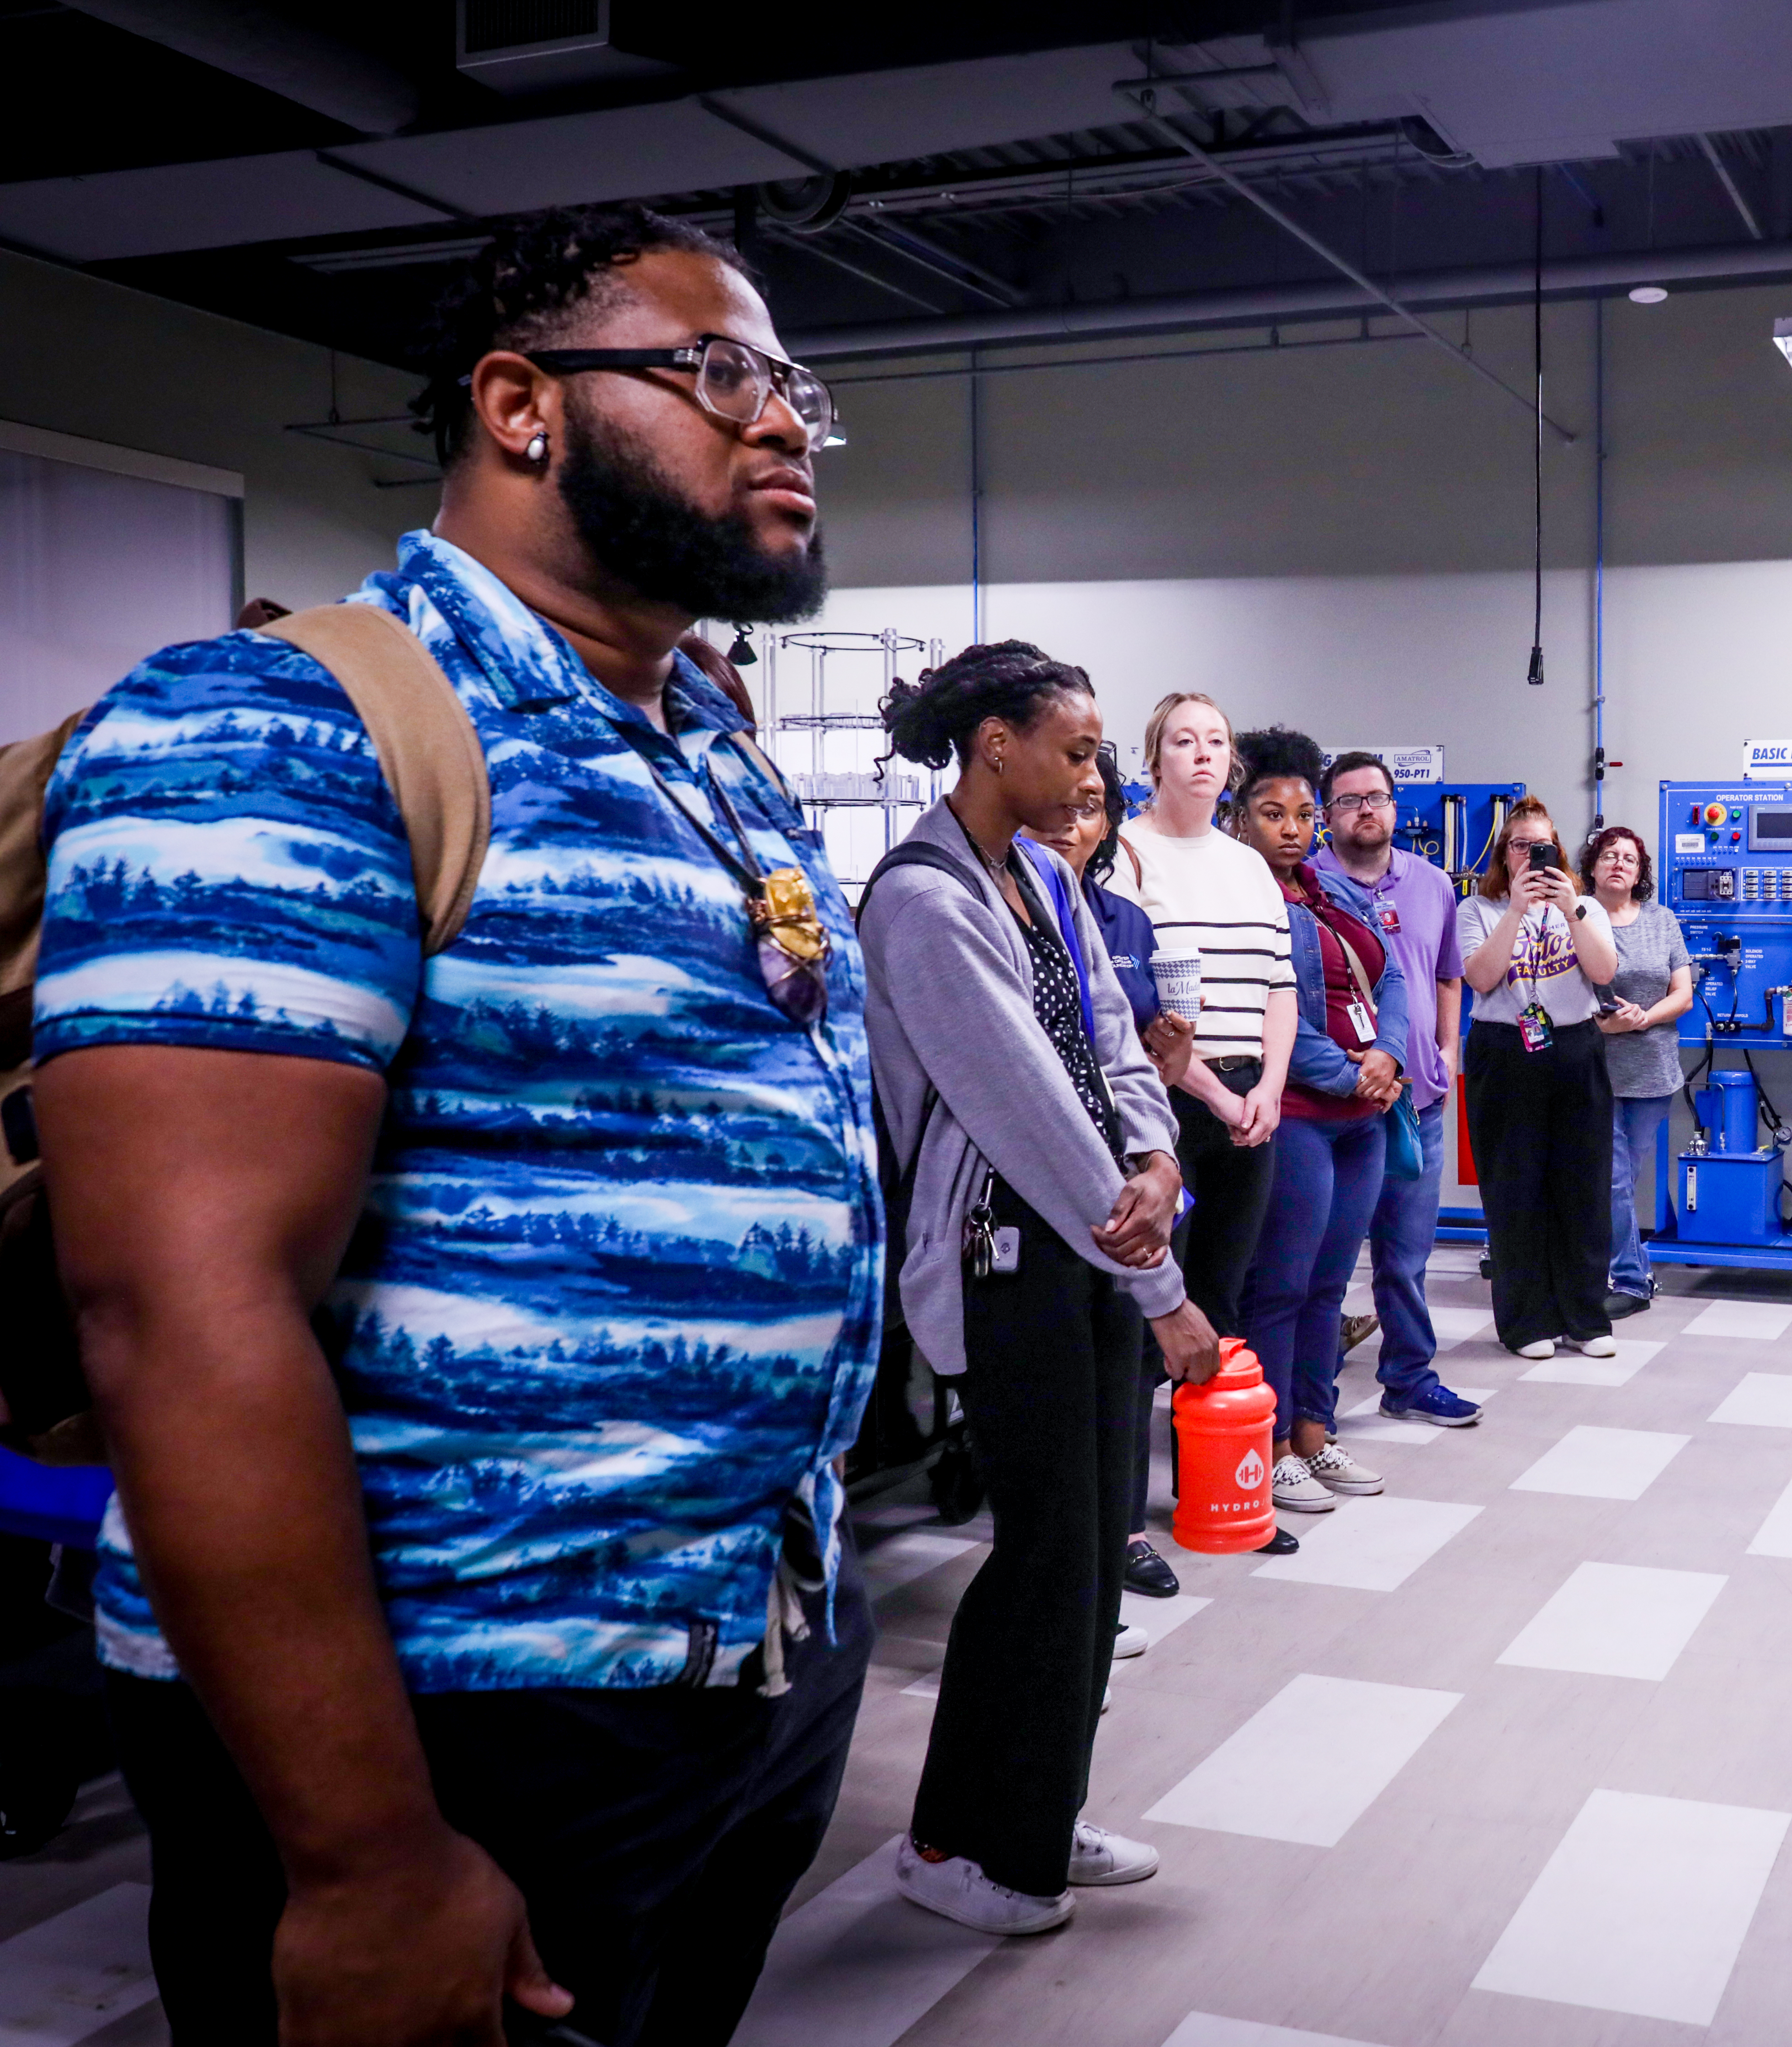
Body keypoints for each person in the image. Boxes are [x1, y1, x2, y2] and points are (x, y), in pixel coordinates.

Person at [33, 205, 872, 2041]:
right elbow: (179, 1311)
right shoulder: (276, 723)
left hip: (730, 1650)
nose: (785, 422)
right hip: (452, 1703)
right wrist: (363, 1856)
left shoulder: (698, 741)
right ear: (520, 407)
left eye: (797, 386)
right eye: (718, 372)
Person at [866, 644, 1219, 1935]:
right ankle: (953, 1841)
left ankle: (1039, 1813)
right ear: (994, 744)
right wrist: (1164, 1286)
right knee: (1044, 1555)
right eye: (1072, 751)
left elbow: (1113, 1049)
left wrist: (1163, 1152)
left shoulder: (1046, 884)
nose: (1091, 774)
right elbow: (1021, 1104)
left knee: (1089, 1563)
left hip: (1099, 1227)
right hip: (1011, 1249)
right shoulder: (924, 899)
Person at [1022, 750, 1201, 1601]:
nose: (1073, 821)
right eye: (1063, 801)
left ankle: (1123, 1533)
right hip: (1038, 1185)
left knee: (1128, 1365)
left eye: (1093, 807)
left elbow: (1128, 1061)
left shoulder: (1123, 922)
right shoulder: (976, 903)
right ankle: (1063, 1563)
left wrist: (1166, 1089)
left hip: (1134, 1178)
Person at [1226, 729, 1417, 1511]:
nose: (1293, 828)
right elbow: (1274, 1010)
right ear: (1240, 819)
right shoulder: (1243, 898)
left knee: (1331, 1286)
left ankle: (1315, 1429)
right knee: (1281, 1286)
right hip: (1301, 1113)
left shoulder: (1330, 889)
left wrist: (1391, 1061)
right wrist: (1351, 1075)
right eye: (1273, 813)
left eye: (1305, 812)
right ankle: (1269, 1447)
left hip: (1362, 1118)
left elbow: (1394, 977)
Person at [1108, 693, 1295, 1337]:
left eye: (1216, 741)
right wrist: (1216, 1097)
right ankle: (1135, 1435)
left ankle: (1209, 1438)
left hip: (1251, 1102)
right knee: (1155, 1296)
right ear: (1155, 759)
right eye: (1184, 741)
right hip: (1169, 1100)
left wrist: (1269, 1089)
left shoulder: (1249, 866)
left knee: (1224, 1292)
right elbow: (1129, 1007)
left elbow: (1281, 985)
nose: (1202, 754)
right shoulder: (1124, 854)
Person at [1309, 751, 1483, 1427]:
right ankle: (1309, 1394)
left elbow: (1447, 977)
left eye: (1376, 798)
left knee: (1406, 1256)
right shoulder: (1303, 884)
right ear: (1328, 817)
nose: (1365, 810)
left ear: (1394, 807)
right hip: (1333, 1105)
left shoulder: (1433, 884)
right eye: (1349, 801)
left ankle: (1409, 1378)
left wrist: (1445, 1050)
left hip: (1416, 1104)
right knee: (1321, 1262)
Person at [1458, 796, 1622, 1360]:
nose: (1532, 855)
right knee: (1514, 1189)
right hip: (1504, 1052)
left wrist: (1571, 908)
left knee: (1584, 1187)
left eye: (1542, 845)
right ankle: (1527, 1321)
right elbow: (1480, 978)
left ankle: (1585, 1316)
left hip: (1575, 1049)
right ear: (1506, 854)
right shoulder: (1477, 910)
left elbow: (1603, 972)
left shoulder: (1586, 907)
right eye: (1520, 845)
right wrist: (1514, 913)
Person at [1580, 824, 1693, 1318]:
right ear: (1593, 866)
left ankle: (1603, 1268)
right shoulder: (1575, 917)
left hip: (1652, 1067)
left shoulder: (1662, 920)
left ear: (1641, 871)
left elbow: (1683, 994)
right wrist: (1603, 1027)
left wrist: (1644, 1018)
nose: (1619, 863)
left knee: (1626, 1175)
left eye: (1629, 857)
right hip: (1594, 1063)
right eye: (1609, 855)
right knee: (1613, 1177)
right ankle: (1633, 1278)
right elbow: (1559, 988)